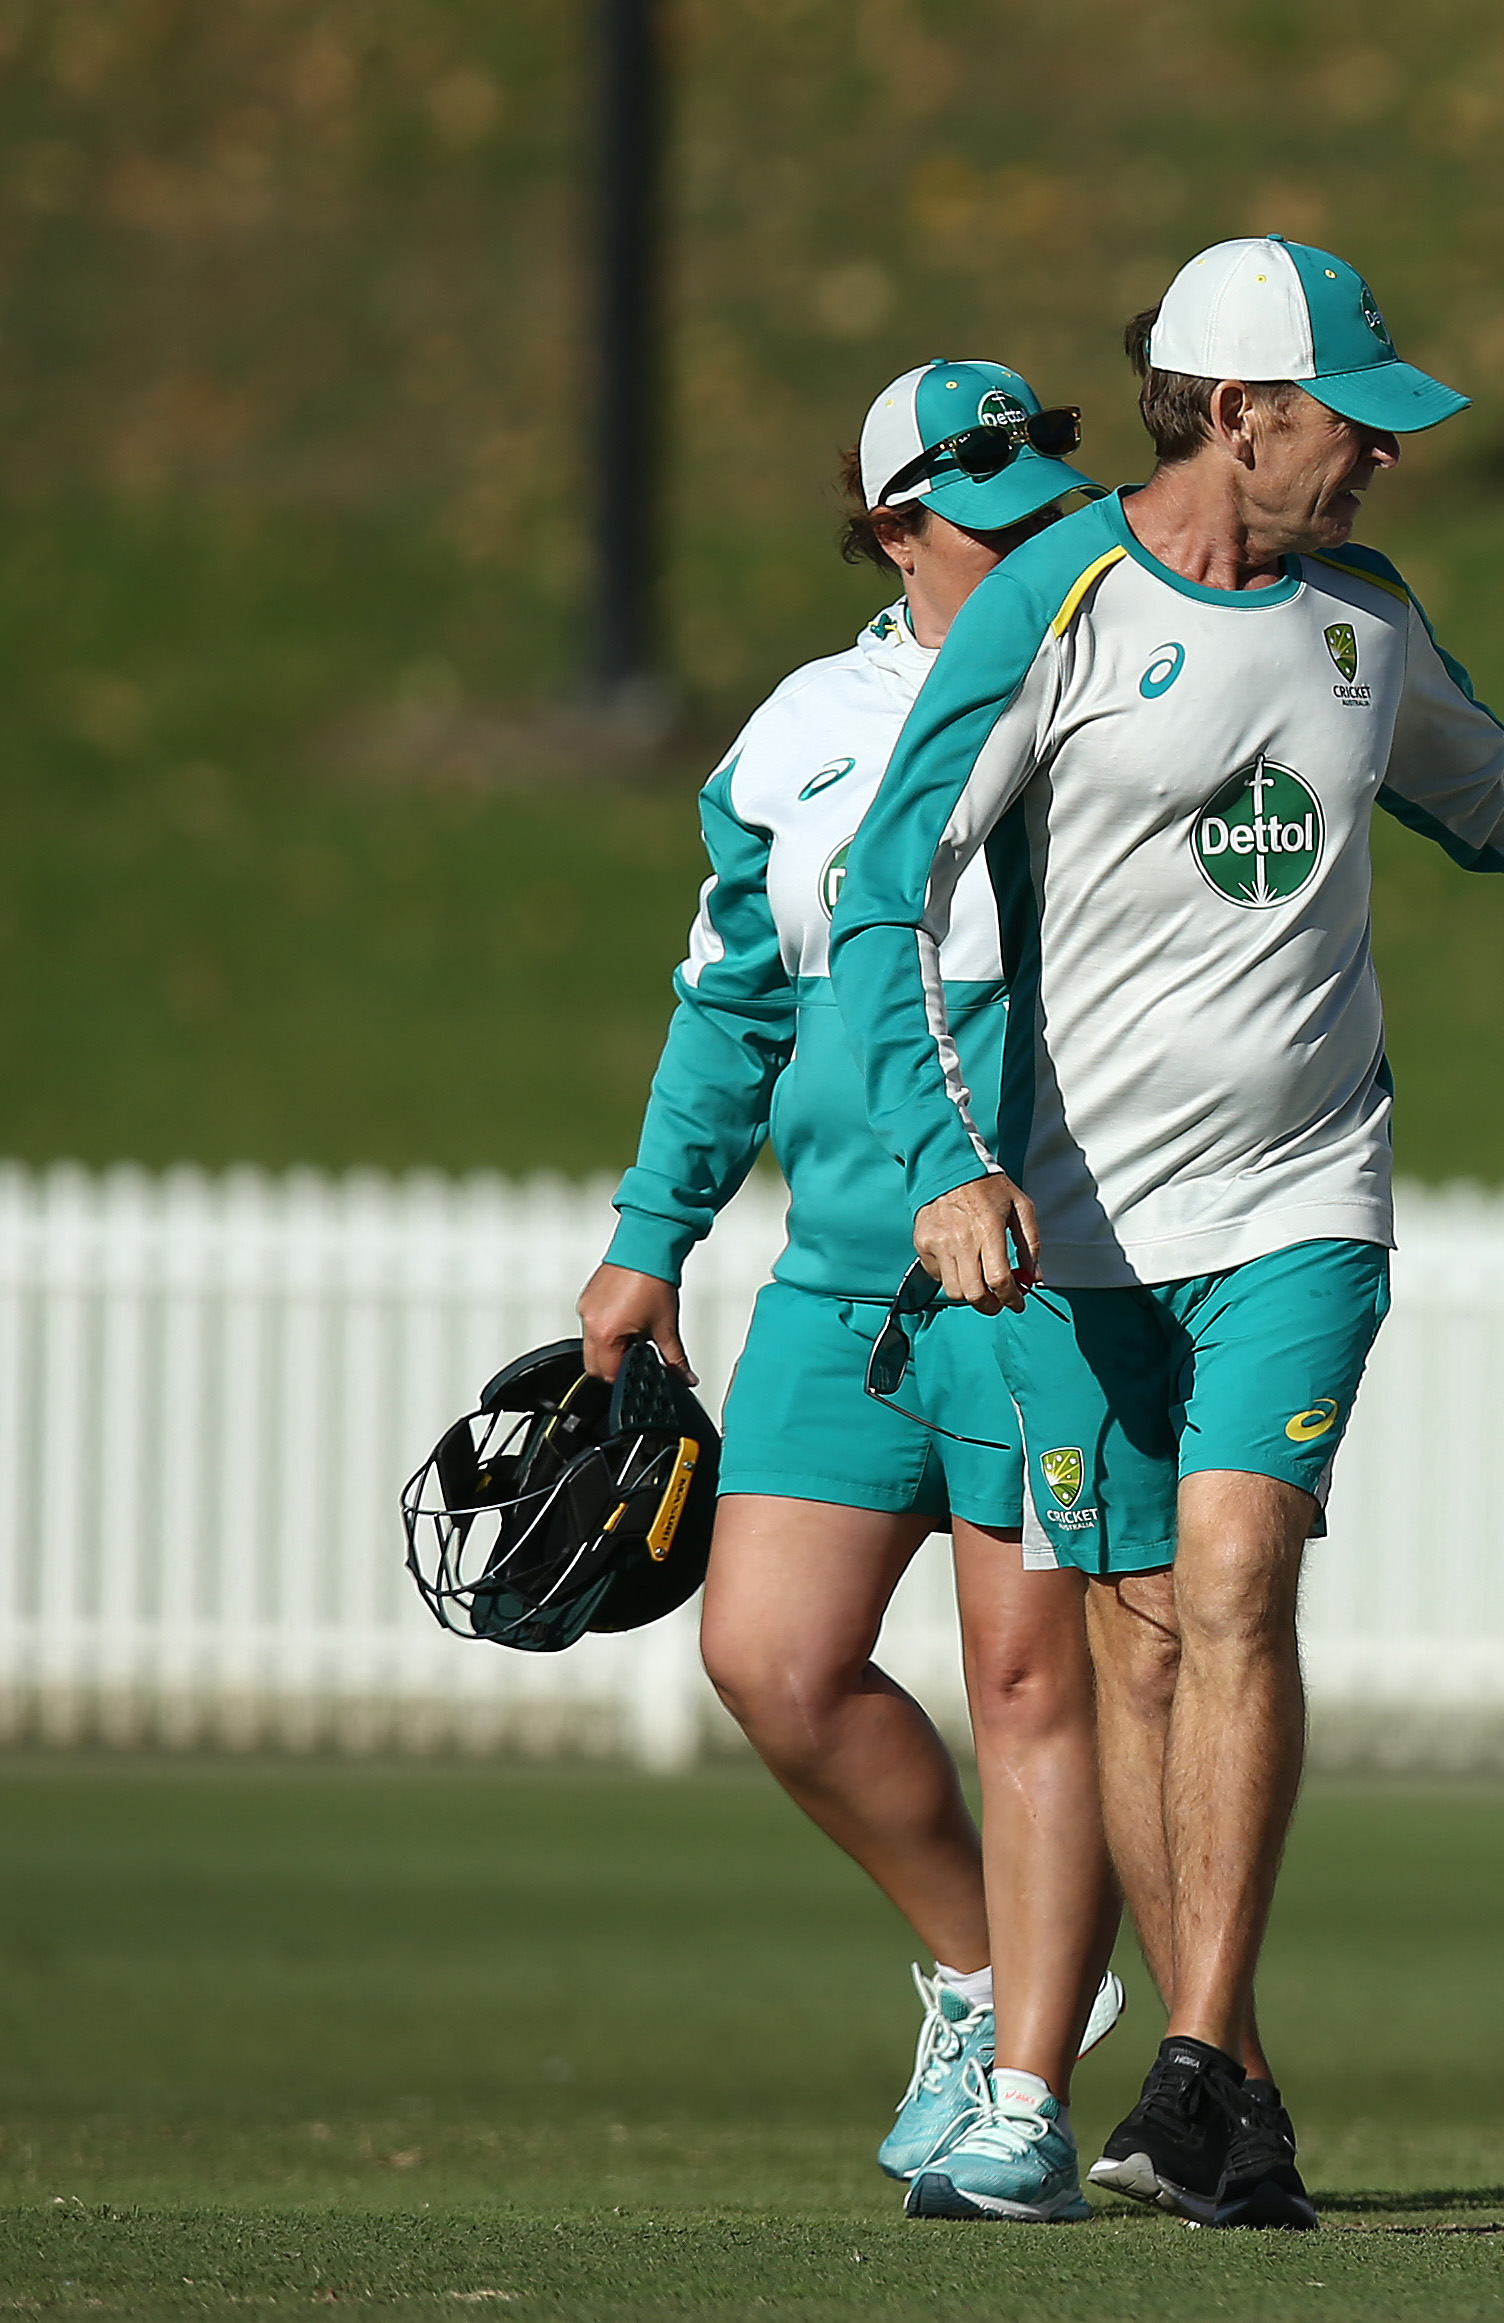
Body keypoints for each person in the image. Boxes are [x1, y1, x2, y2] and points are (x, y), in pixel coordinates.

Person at [829, 237, 1504, 2232]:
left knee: (1236, 1574)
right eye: (1355, 424)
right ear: (1238, 414)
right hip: (1079, 1228)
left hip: (1306, 1198)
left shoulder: (1361, 612)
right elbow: (884, 893)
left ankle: (1184, 2049)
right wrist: (942, 1160)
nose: (1384, 464)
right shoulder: (1061, 597)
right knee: (1141, 1643)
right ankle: (1228, 2091)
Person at [575, 361, 1126, 2223]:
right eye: (993, 523)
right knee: (773, 1660)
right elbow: (734, 994)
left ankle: (1037, 2084)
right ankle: (995, 1983)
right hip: (837, 1266)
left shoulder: (1108, 682)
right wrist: (654, 1235)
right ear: (895, 526)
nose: (1041, 538)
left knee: (1027, 1680)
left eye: (1055, 506)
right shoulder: (802, 725)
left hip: (1038, 1250)